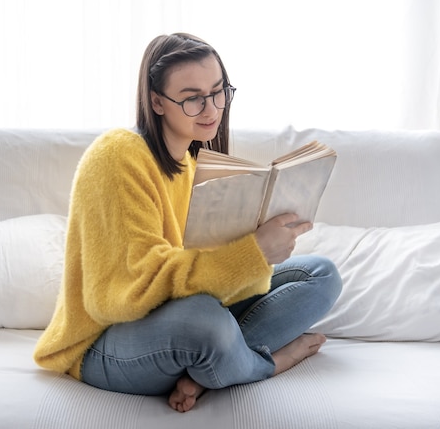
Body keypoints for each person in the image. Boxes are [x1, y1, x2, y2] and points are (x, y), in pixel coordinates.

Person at [33, 32, 342, 413]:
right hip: (104, 340)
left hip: (176, 315)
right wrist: (252, 253)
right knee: (204, 323)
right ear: (157, 102)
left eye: (218, 91)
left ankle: (207, 370)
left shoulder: (194, 166)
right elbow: (130, 292)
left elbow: (210, 281)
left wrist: (261, 249)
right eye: (193, 98)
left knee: (321, 275)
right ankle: (263, 364)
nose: (212, 108)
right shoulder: (117, 157)